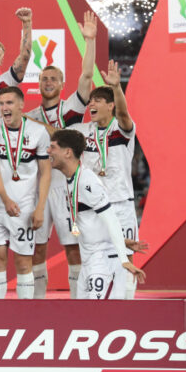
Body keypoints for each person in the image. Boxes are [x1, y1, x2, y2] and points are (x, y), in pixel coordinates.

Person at [25, 10, 98, 298]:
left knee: (73, 245)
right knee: (37, 247)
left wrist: (89, 41)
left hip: (68, 188)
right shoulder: (28, 114)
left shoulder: (71, 109)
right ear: (38, 82)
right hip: (40, 187)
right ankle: (37, 304)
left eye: (54, 78)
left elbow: (89, 74)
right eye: (44, 78)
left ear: (62, 83)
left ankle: (79, 303)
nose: (48, 82)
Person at [47, 129, 146, 299]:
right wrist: (123, 241)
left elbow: (112, 220)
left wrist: (124, 258)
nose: (48, 151)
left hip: (104, 262)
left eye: (53, 147)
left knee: (101, 318)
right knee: (84, 318)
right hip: (89, 260)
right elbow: (95, 223)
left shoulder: (87, 181)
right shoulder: (70, 180)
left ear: (68, 152)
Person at [73, 60, 139, 299]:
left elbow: (123, 113)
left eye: (98, 101)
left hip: (121, 204)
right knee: (93, 257)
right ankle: (95, 305)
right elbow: (55, 134)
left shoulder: (123, 130)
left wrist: (117, 87)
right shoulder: (83, 132)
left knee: (126, 257)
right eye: (90, 101)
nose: (91, 104)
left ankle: (127, 306)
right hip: (93, 208)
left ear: (110, 106)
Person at [0, 87, 51, 299]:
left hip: (25, 207)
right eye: (2, 103)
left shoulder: (38, 132)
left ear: (21, 105)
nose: (5, 108)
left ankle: (25, 314)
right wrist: (5, 199)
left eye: (9, 103)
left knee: (23, 262)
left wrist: (40, 208)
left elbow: (46, 172)